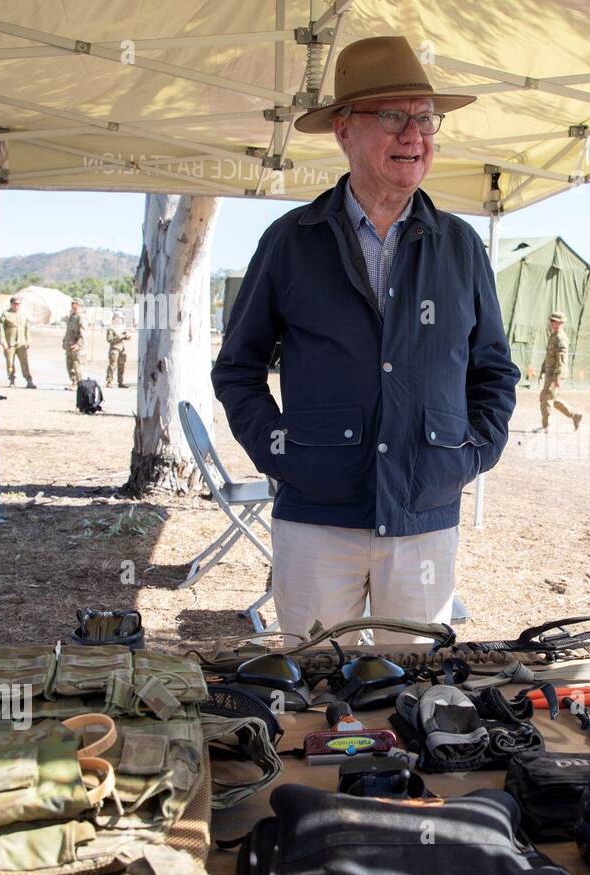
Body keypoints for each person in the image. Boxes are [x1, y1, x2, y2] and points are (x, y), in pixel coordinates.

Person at [212, 36, 519, 646]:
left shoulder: (459, 247)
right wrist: (282, 456)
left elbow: (493, 371)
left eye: (425, 119)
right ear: (343, 131)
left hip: (424, 518)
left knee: (416, 693)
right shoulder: (290, 241)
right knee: (317, 692)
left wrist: (470, 456)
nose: (414, 135)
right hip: (317, 521)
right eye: (392, 117)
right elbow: (237, 370)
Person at [538, 311, 583, 431]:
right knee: (552, 398)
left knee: (545, 398)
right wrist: (542, 370)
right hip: (549, 373)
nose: (552, 323)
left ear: (561, 323)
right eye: (551, 321)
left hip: (555, 374)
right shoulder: (553, 336)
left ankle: (546, 426)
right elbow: (549, 356)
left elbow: (562, 359)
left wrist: (557, 377)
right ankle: (575, 416)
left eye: (555, 321)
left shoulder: (560, 338)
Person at [0, 296, 36, 388]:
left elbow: (27, 329)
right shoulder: (6, 314)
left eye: (18, 304)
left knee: (24, 362)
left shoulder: (23, 315)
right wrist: (3, 341)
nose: (16, 306)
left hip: (21, 343)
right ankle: (12, 380)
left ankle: (29, 380)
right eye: (15, 304)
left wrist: (28, 341)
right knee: (10, 363)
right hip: (10, 343)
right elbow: (1, 329)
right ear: (11, 304)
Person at [62, 300, 85, 389]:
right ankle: (74, 382)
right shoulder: (71, 316)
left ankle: (80, 384)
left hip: (76, 346)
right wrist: (64, 342)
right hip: (69, 345)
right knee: (69, 365)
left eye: (75, 304)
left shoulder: (80, 317)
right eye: (72, 304)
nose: (73, 306)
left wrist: (78, 344)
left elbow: (83, 333)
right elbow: (67, 331)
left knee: (76, 365)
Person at [106, 312, 130, 388]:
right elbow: (109, 339)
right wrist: (120, 337)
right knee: (113, 366)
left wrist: (127, 336)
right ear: (115, 318)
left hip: (122, 349)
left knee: (121, 366)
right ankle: (109, 381)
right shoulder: (111, 328)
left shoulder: (122, 328)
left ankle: (120, 382)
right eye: (120, 318)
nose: (121, 320)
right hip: (114, 349)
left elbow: (125, 336)